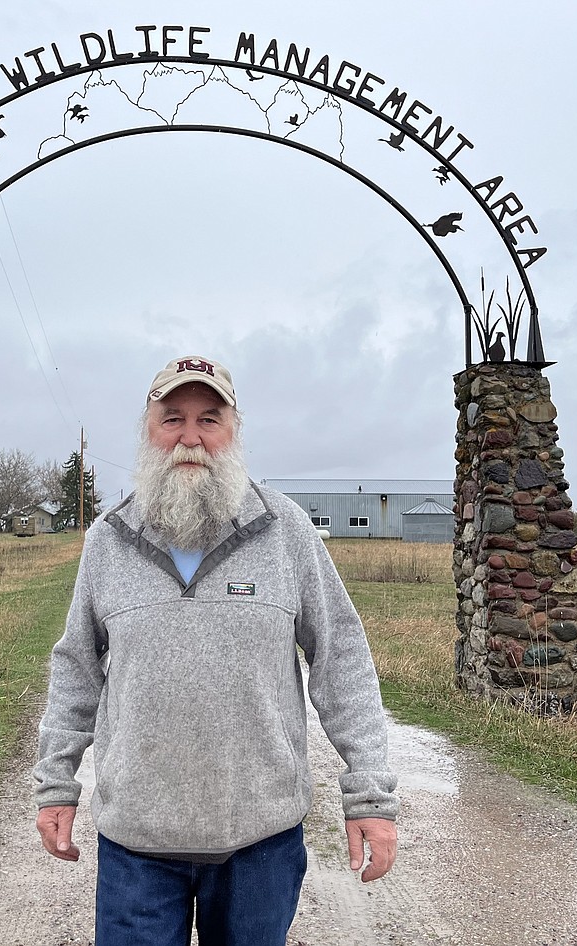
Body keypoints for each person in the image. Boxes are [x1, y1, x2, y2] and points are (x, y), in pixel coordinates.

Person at [34, 354, 398, 945]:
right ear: (147, 430)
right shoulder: (107, 541)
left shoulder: (286, 532)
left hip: (260, 844)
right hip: (138, 847)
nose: (190, 438)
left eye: (209, 418)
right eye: (171, 418)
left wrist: (371, 796)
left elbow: (342, 661)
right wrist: (56, 782)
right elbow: (76, 667)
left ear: (234, 432)